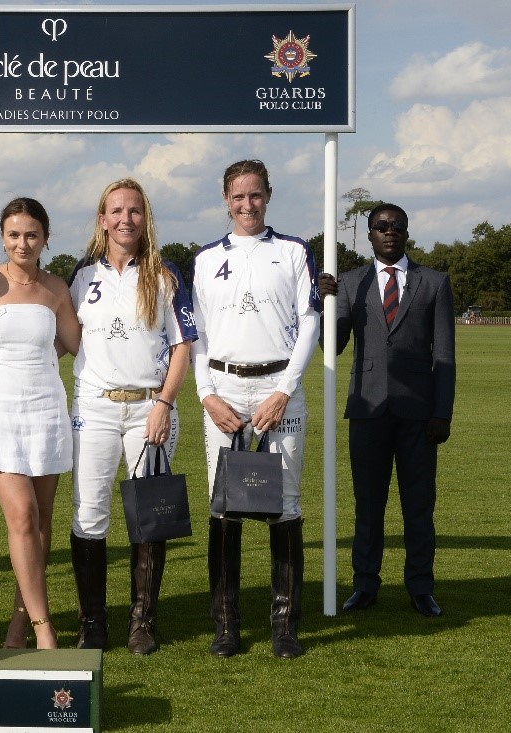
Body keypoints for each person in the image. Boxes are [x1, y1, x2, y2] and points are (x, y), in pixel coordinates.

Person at [191, 159, 320, 659]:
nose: (248, 204)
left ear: (269, 195)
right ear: (226, 198)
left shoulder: (292, 252)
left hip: (277, 388)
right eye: (238, 196)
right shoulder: (204, 259)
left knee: (283, 505)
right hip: (223, 391)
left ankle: (284, 625)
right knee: (224, 506)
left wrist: (285, 389)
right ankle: (226, 625)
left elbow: (309, 323)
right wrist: (206, 396)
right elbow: (195, 336)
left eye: (256, 195)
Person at [66, 179, 196, 654]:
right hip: (95, 408)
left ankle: (143, 619)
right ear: (102, 219)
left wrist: (163, 403)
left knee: (149, 518)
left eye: (135, 211)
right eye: (116, 211)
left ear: (146, 218)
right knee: (89, 515)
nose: (126, 219)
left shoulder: (164, 272)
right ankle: (93, 622)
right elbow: (57, 331)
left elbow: (183, 345)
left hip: (149, 409)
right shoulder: (81, 275)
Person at [318, 203, 455, 617]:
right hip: (367, 408)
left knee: (419, 506)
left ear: (407, 233)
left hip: (419, 414)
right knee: (368, 504)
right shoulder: (350, 283)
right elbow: (333, 347)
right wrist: (324, 303)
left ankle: (420, 587)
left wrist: (442, 414)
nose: (389, 232)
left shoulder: (434, 283)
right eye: (381, 226)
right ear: (370, 233)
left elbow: (444, 355)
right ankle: (365, 585)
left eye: (397, 226)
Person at [0, 197, 81, 650]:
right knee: (22, 515)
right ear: (2, 237)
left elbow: (75, 341)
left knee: (42, 522)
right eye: (14, 234)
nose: (22, 243)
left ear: (46, 238)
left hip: (46, 412)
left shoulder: (56, 288)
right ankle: (44, 630)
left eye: (32, 234)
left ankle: (18, 627)